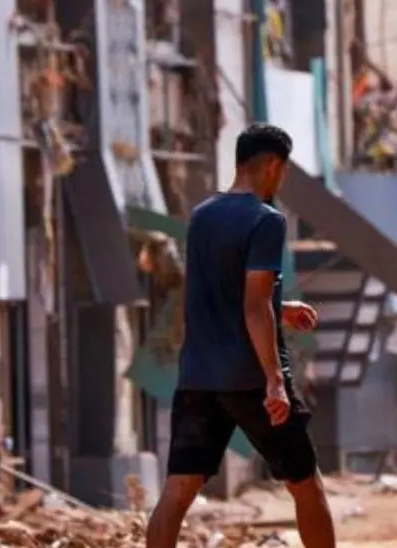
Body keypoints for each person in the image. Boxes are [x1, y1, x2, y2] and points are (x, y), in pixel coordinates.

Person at [147, 123, 335, 548]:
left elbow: (216, 295)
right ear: (272, 166)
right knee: (306, 485)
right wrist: (274, 380)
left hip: (198, 377)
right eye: (283, 171)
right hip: (250, 379)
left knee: (177, 491)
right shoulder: (265, 220)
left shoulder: (201, 216)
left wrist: (280, 308)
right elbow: (253, 306)